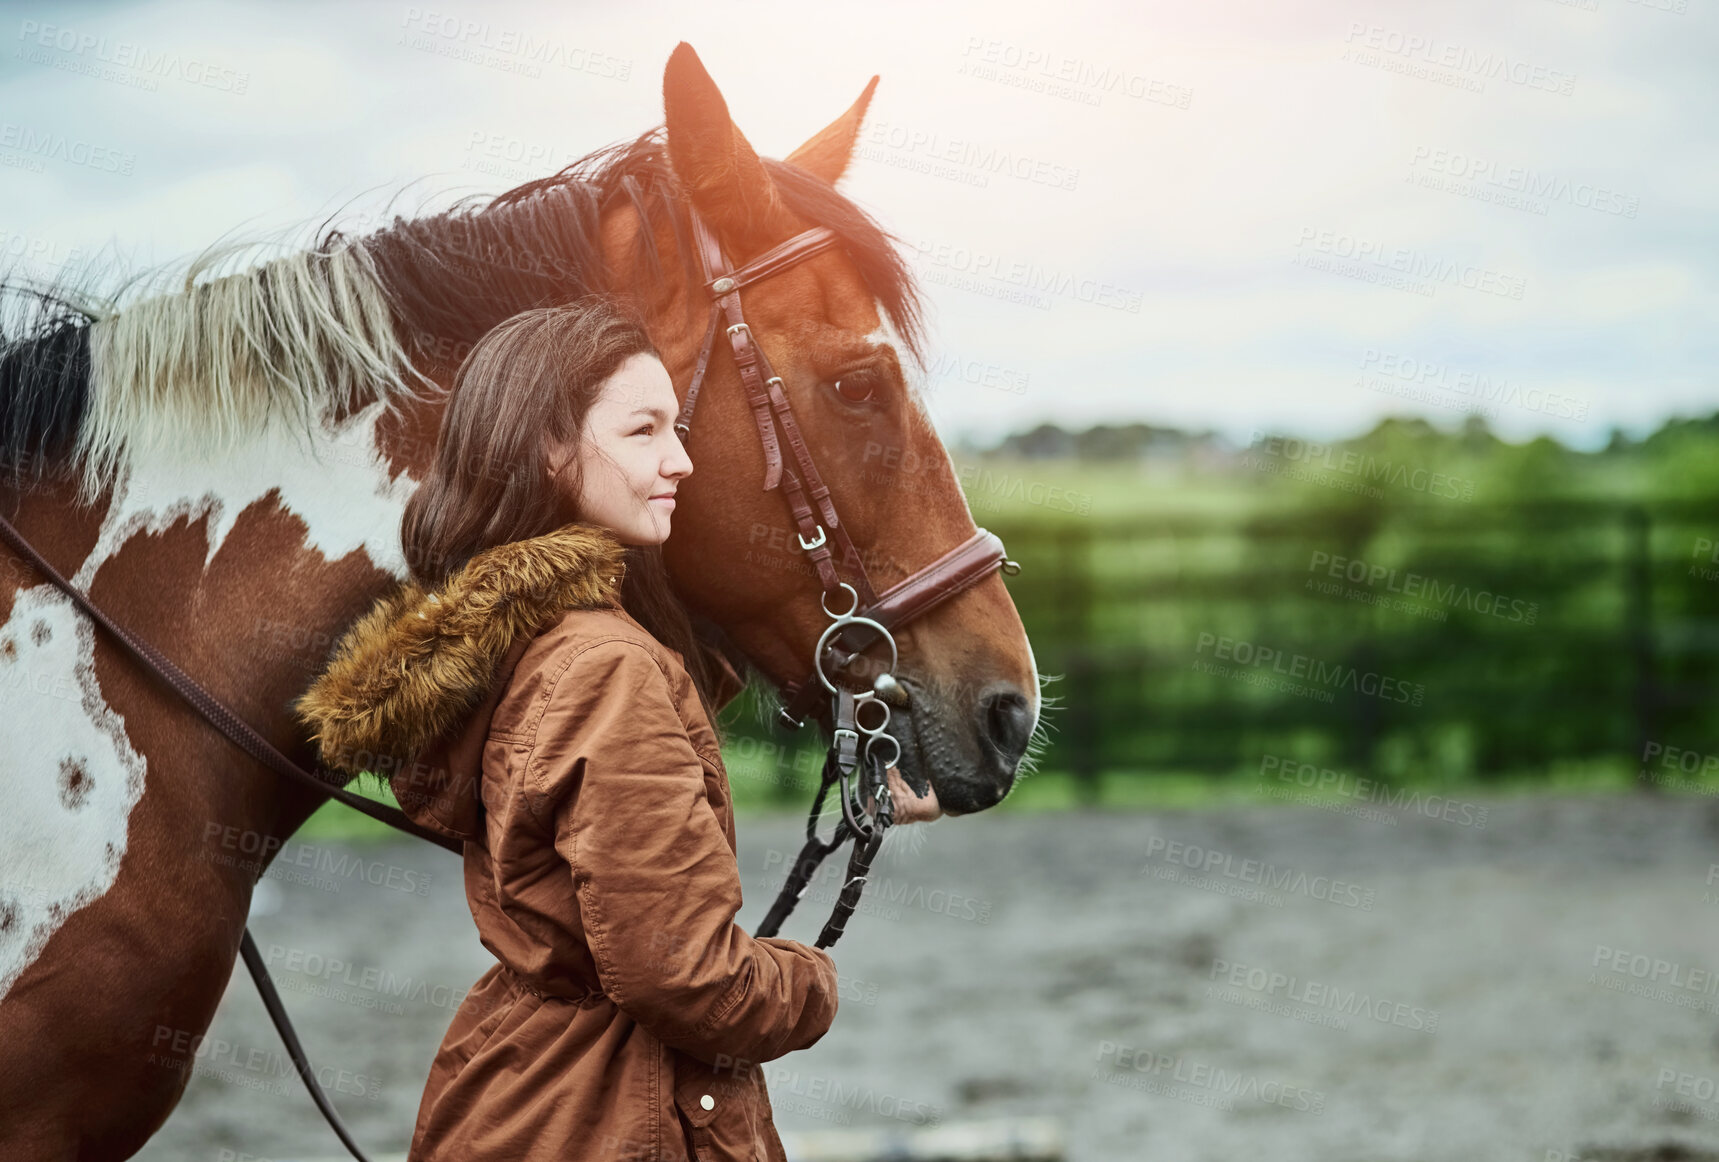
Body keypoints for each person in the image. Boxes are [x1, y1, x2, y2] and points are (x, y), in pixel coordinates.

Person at [294, 297, 936, 1161]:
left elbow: (614, 889)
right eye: (643, 432)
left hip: (526, 1095)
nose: (682, 460)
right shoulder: (607, 669)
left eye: (676, 428)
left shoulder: (529, 645)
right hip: (614, 1120)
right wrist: (811, 983)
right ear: (548, 450)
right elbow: (685, 976)